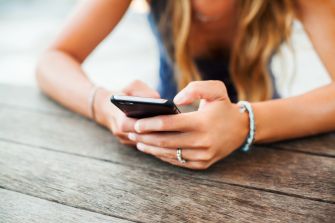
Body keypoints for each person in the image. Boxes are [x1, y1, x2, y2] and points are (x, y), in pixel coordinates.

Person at [36, 0, 335, 170]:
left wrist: (244, 123)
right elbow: (51, 60)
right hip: (164, 148)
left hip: (273, 142)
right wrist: (105, 108)